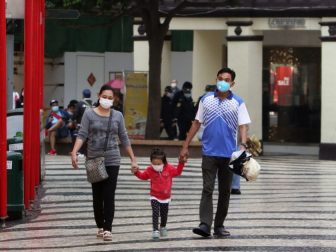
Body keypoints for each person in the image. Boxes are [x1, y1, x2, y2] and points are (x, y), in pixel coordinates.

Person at [179, 67, 251, 238]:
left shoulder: (238, 102)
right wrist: (185, 146)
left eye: (226, 80)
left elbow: (243, 126)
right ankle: (205, 224)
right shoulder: (206, 99)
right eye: (220, 78)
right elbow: (197, 123)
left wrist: (243, 145)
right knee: (207, 188)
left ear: (232, 83)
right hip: (209, 152)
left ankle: (219, 225)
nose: (223, 82)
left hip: (229, 154)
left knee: (225, 191)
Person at [71, 84, 138, 242]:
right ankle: (100, 225)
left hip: (112, 158)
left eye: (110, 98)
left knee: (109, 194)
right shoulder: (89, 114)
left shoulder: (117, 116)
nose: (107, 100)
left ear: (114, 99)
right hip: (93, 158)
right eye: (104, 97)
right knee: (97, 196)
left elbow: (124, 137)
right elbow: (82, 134)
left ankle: (108, 228)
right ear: (98, 95)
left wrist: (133, 159)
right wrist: (74, 152)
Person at [131, 148, 185, 240]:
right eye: (154, 164)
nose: (156, 166)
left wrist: (181, 163)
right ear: (151, 162)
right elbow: (143, 176)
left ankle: (163, 226)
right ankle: (155, 230)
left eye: (159, 164)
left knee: (164, 214)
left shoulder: (169, 168)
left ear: (164, 162)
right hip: (154, 196)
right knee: (155, 213)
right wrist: (136, 172)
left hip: (166, 197)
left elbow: (177, 172)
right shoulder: (150, 170)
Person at [72, 89, 93, 156]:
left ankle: (79, 151)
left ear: (83, 95)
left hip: (81, 125)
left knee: (79, 137)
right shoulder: (92, 104)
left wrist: (72, 120)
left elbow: (75, 115)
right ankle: (86, 152)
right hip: (91, 125)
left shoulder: (80, 103)